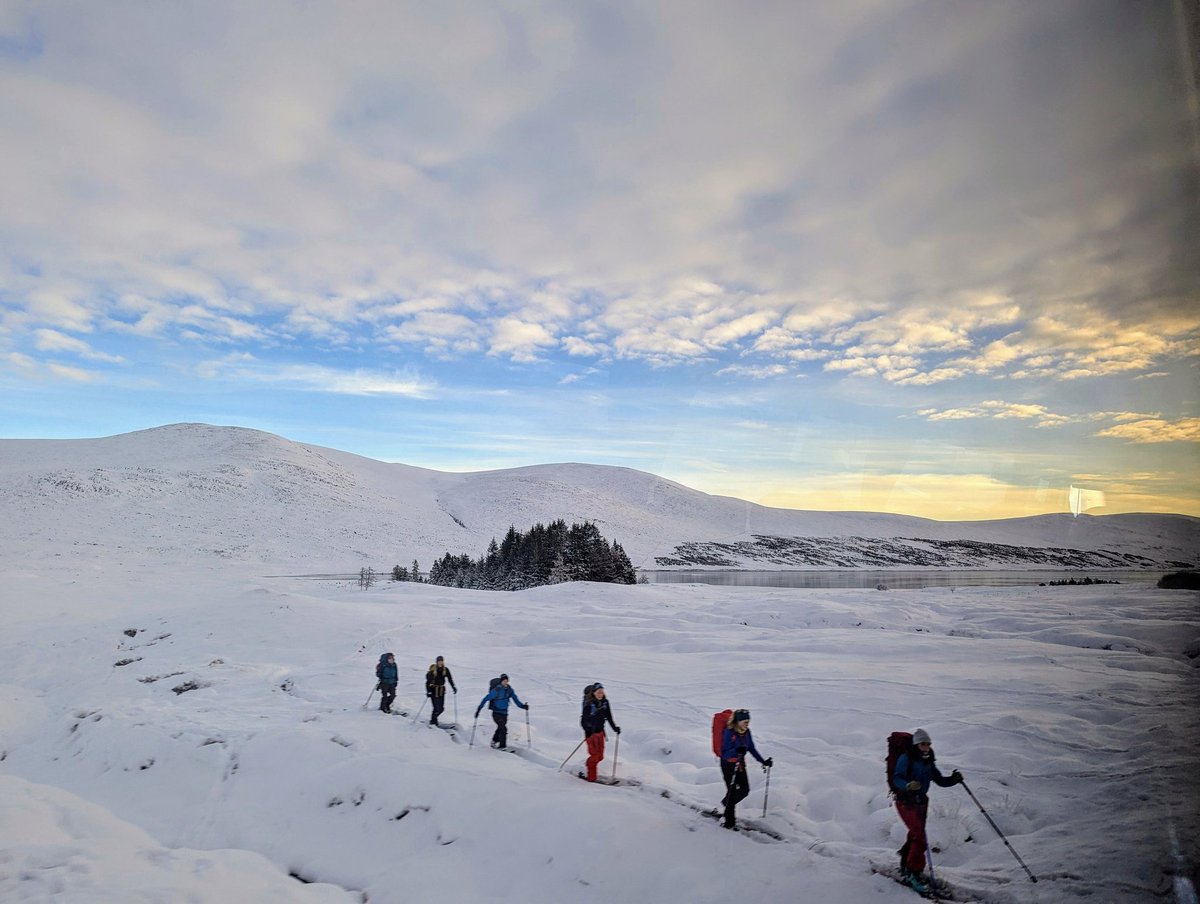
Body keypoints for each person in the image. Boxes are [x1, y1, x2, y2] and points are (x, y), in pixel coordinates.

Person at [892, 728, 963, 893]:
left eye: (928, 744)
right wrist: (908, 785)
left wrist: (953, 780)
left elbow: (939, 780)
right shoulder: (906, 758)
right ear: (916, 744)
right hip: (906, 802)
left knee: (915, 835)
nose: (926, 747)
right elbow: (897, 778)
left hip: (922, 802)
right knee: (920, 838)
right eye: (923, 744)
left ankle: (905, 865)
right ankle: (913, 873)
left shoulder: (928, 760)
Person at [718, 709, 772, 830]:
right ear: (737, 721)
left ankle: (727, 804)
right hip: (728, 765)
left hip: (740, 764)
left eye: (748, 721)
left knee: (745, 790)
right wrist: (736, 751)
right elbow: (724, 753)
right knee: (732, 793)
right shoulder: (729, 733)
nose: (747, 723)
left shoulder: (747, 732)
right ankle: (729, 823)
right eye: (744, 721)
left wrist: (763, 761)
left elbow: (751, 748)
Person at [580, 683, 621, 782]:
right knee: (594, 755)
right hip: (591, 734)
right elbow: (583, 721)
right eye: (598, 692)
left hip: (600, 733)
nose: (600, 694)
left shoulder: (605, 703)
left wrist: (615, 728)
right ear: (593, 693)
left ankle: (589, 765)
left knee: (600, 756)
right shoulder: (589, 705)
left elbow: (609, 717)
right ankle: (591, 778)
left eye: (602, 692)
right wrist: (588, 730)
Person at [475, 673, 528, 749]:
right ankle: (502, 747)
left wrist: (523, 706)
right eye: (503, 681)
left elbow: (515, 699)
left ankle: (494, 741)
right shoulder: (497, 690)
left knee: (500, 728)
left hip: (504, 713)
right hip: (496, 713)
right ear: (501, 681)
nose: (505, 682)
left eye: (506, 680)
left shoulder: (510, 690)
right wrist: (478, 709)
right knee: (503, 729)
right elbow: (485, 699)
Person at [425, 655, 457, 726]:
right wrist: (428, 691)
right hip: (434, 691)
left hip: (441, 691)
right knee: (436, 708)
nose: (440, 663)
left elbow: (450, 679)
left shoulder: (445, 670)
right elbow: (428, 682)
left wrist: (453, 687)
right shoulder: (433, 670)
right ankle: (433, 722)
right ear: (437, 662)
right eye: (439, 661)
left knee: (441, 708)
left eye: (441, 661)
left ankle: (433, 720)